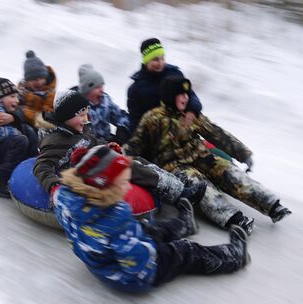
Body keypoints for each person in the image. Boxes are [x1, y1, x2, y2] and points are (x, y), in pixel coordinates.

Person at [54, 145, 249, 292]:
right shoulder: (113, 217)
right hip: (135, 276)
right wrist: (154, 247)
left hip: (100, 262)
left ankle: (183, 224)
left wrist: (143, 233)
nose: (127, 187)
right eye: (122, 183)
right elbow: (138, 261)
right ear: (103, 185)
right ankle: (233, 256)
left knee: (149, 229)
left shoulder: (66, 200)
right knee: (185, 250)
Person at [125, 76, 292, 234]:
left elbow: (216, 133)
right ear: (170, 96)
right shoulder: (153, 118)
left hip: (200, 155)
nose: (185, 97)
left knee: (229, 171)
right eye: (181, 94)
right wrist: (122, 154)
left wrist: (243, 153)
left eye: (186, 94)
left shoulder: (190, 115)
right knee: (201, 187)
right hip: (175, 165)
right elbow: (136, 143)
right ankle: (235, 219)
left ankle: (272, 205)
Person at [34, 89, 206, 207]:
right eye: (81, 115)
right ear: (66, 117)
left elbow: (93, 143)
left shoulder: (78, 128)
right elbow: (42, 166)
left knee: (135, 160)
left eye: (86, 114)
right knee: (126, 166)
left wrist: (107, 147)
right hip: (78, 176)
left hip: (89, 163)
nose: (86, 119)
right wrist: (54, 187)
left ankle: (174, 185)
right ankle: (179, 194)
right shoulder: (55, 140)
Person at [127, 38, 202, 134]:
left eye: (162, 58)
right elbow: (135, 122)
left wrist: (192, 110)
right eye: (155, 59)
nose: (160, 63)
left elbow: (191, 95)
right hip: (160, 136)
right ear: (146, 61)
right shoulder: (136, 89)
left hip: (184, 128)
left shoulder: (175, 74)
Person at [75, 64, 130, 143]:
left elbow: (119, 115)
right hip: (88, 144)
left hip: (107, 141)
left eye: (102, 86)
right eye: (97, 87)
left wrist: (123, 127)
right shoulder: (79, 106)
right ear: (87, 90)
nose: (102, 90)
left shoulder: (105, 100)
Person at [17, 50, 57, 128]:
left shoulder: (50, 95)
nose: (38, 82)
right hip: (21, 120)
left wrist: (23, 112)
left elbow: (45, 117)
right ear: (27, 80)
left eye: (41, 78)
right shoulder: (21, 90)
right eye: (33, 79)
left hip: (39, 126)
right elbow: (15, 104)